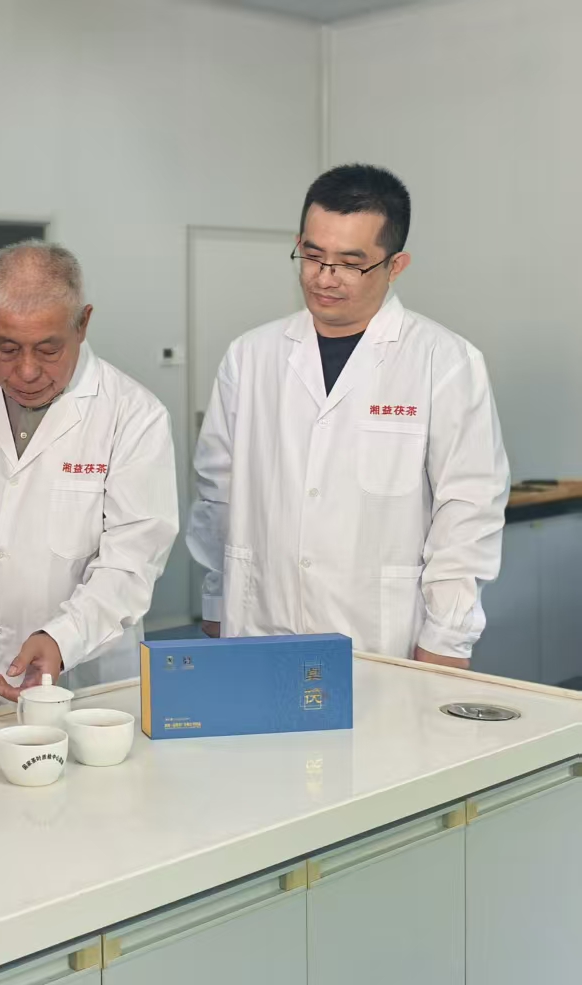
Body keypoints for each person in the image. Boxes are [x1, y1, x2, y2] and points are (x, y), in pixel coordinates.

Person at [187, 164, 510, 666]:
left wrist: (448, 637)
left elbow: (468, 509)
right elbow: (217, 490)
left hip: (378, 635)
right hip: (259, 620)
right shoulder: (250, 355)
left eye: (349, 264)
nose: (324, 277)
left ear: (395, 265)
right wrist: (216, 597)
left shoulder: (443, 361)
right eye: (313, 256)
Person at [0, 240, 179, 719]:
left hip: (81, 680)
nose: (25, 371)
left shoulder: (133, 414)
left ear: (82, 323)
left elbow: (132, 561)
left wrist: (63, 638)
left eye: (47, 349)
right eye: (6, 348)